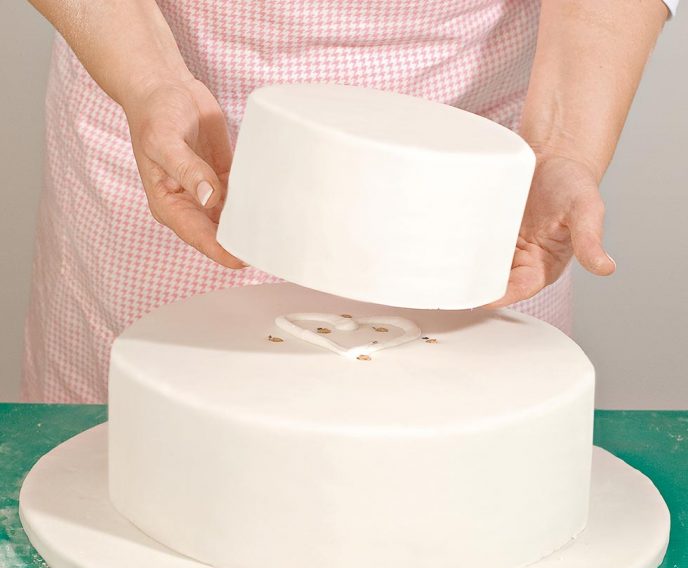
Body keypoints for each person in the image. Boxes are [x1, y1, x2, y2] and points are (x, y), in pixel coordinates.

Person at [22, 0, 675, 403]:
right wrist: (149, 84)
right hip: (175, 132)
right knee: (147, 468)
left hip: (475, 184)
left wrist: (563, 148)